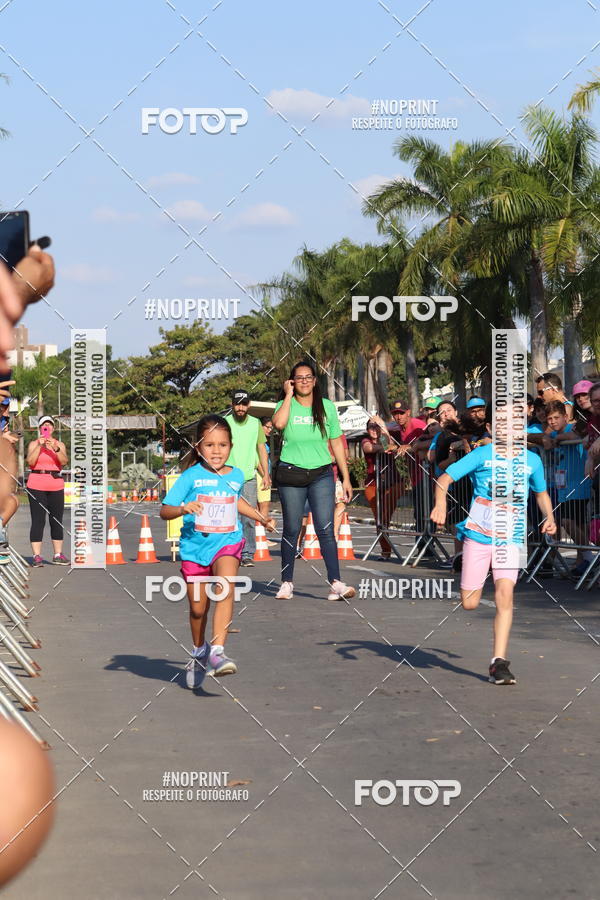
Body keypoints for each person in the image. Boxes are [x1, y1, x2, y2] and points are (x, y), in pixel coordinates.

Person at [430, 403, 557, 685]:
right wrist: (440, 506)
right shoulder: (482, 455)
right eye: (501, 421)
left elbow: (542, 493)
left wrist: (550, 517)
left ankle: (498, 662)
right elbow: (444, 478)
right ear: (490, 428)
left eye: (513, 421)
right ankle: (466, 562)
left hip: (511, 538)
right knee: (470, 603)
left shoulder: (531, 460)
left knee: (505, 594)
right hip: (478, 534)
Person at [160, 414, 275, 688]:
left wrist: (261, 518)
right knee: (198, 609)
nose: (216, 451)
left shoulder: (235, 475)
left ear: (230, 447)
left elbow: (236, 501)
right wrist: (182, 509)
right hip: (195, 548)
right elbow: (165, 510)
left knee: (226, 587)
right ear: (199, 447)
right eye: (210, 445)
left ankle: (218, 652)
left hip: (227, 542)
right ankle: (199, 650)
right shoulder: (190, 476)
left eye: (222, 445)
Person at [272, 360, 355, 601]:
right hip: (291, 473)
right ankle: (287, 583)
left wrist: (346, 477)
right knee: (291, 528)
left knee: (326, 528)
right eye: (299, 378)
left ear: (315, 381)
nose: (304, 381)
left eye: (308, 377)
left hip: (321, 474)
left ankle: (336, 583)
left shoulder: (326, 406)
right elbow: (278, 425)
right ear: (292, 382)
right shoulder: (283, 404)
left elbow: (337, 443)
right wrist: (287, 396)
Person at [543, 400, 593, 578]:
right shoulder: (553, 433)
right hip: (564, 488)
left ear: (565, 417)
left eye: (556, 418)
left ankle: (589, 556)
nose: (553, 422)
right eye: (549, 419)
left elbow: (573, 436)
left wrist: (556, 438)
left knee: (566, 521)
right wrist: (549, 437)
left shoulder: (571, 429)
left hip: (579, 486)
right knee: (577, 524)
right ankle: (582, 562)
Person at [225, 390, 270, 567]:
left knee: (249, 517)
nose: (240, 407)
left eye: (244, 404)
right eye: (237, 404)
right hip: (228, 477)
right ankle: (229, 552)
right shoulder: (225, 423)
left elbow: (261, 449)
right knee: (229, 517)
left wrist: (265, 473)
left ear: (249, 405)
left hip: (249, 477)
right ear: (232, 405)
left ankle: (247, 553)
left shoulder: (255, 423)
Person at [26, 415, 69, 566]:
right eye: (44, 425)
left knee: (56, 520)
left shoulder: (59, 444)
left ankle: (58, 554)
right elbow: (30, 462)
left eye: (50, 425)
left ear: (53, 428)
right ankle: (37, 556)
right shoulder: (33, 444)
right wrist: (40, 446)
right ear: (40, 429)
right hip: (36, 484)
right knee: (38, 520)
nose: (47, 428)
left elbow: (64, 461)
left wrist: (55, 448)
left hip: (55, 484)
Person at [387, 400, 428, 544]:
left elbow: (430, 440)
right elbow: (384, 429)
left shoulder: (418, 425)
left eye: (401, 413)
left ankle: (425, 547)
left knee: (425, 514)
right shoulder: (399, 428)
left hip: (427, 475)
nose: (398, 417)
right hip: (415, 476)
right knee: (419, 513)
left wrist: (409, 446)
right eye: (395, 414)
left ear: (408, 412)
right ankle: (423, 547)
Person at [362, 417, 401, 560]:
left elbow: (389, 446)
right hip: (373, 484)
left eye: (376, 426)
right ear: (367, 430)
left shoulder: (386, 438)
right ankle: (386, 551)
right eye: (371, 426)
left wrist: (383, 426)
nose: (374, 429)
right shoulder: (365, 441)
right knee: (379, 519)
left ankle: (386, 548)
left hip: (392, 483)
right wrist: (386, 446)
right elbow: (373, 448)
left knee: (385, 518)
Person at [256, 417, 276, 545]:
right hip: (260, 475)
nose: (269, 430)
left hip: (263, 475)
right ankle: (261, 536)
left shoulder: (264, 442)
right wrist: (265, 476)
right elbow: (257, 461)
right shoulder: (258, 442)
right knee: (264, 505)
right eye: (267, 427)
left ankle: (258, 534)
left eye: (271, 428)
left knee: (260, 506)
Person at [328, 431, 349, 540]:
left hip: (336, 476)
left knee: (341, 504)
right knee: (323, 507)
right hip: (319, 476)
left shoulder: (340, 435)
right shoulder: (317, 432)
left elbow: (345, 455)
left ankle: (334, 534)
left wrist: (335, 458)